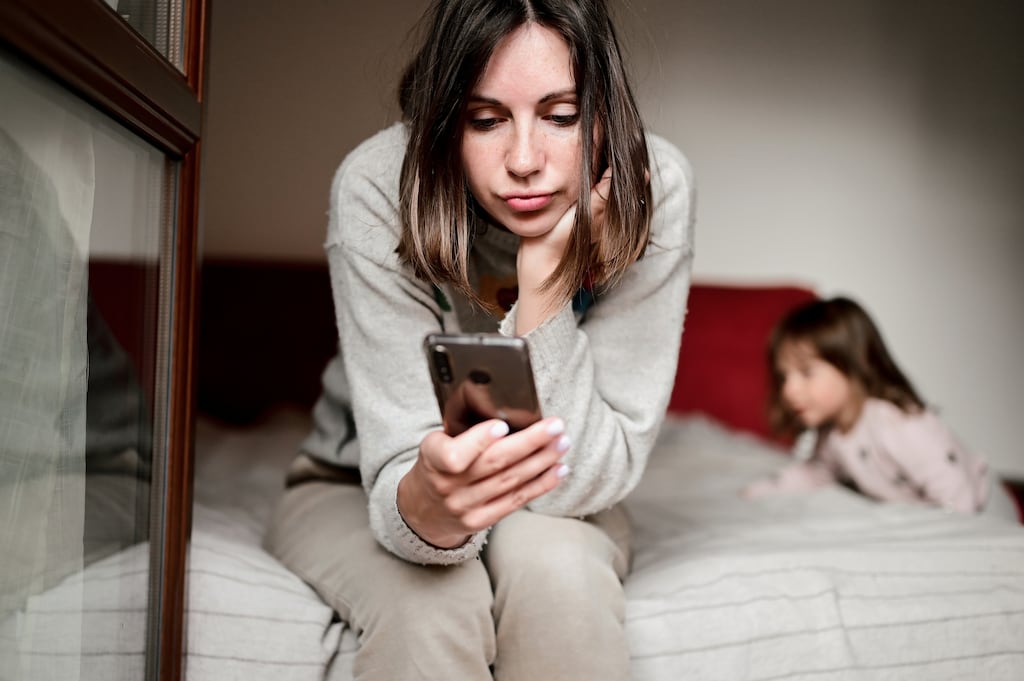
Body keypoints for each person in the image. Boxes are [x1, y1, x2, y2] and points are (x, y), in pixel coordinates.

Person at [263, 1, 695, 679]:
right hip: (356, 479)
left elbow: (592, 473)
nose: (525, 160)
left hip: (569, 485)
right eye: (485, 119)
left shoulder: (652, 189)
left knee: (560, 576)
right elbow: (405, 476)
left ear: (607, 110)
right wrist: (431, 511)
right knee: (431, 606)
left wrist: (546, 291)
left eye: (561, 116)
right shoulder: (379, 186)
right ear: (443, 121)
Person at [741, 296, 993, 514]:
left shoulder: (896, 424)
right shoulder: (833, 434)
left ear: (851, 365)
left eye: (806, 372)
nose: (789, 390)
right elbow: (817, 474)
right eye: (784, 376)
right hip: (930, 510)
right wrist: (759, 492)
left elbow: (959, 496)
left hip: (981, 503)